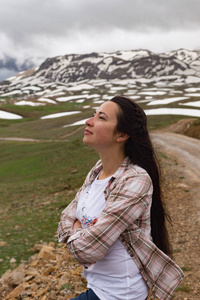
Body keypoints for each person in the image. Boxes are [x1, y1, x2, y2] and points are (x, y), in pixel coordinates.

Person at [58, 95, 184, 300]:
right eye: (93, 115)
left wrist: (75, 230)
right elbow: (65, 216)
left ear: (122, 135)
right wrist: (80, 232)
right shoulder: (96, 172)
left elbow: (88, 251)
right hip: (98, 287)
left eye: (101, 118)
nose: (89, 121)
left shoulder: (136, 180)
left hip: (120, 293)